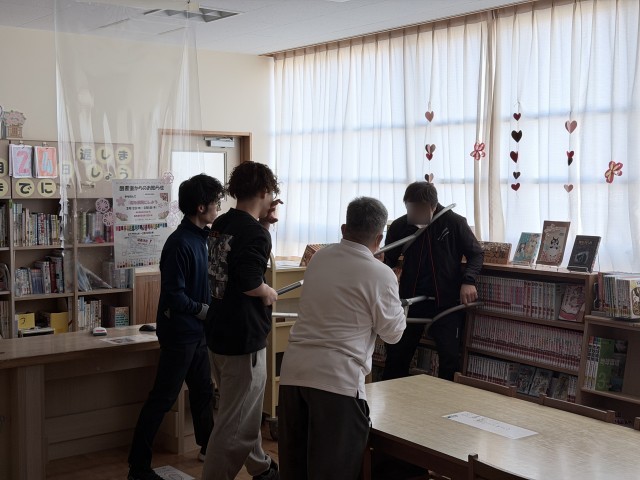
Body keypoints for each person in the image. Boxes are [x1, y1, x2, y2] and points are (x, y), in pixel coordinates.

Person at [278, 197, 406, 480]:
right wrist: (392, 288)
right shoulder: (381, 274)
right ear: (380, 238)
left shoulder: (319, 258)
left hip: (294, 374)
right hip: (337, 381)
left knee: (295, 470)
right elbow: (394, 333)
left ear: (344, 228)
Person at [127, 174, 224, 480]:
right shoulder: (179, 243)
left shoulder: (203, 239)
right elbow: (173, 294)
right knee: (163, 399)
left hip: (198, 333)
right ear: (201, 207)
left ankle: (208, 448)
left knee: (203, 392)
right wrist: (202, 310)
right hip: (180, 334)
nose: (219, 208)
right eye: (216, 203)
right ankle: (138, 467)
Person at [203, 161, 282, 480]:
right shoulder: (254, 233)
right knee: (235, 425)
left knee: (240, 415)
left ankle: (261, 468)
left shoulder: (223, 222)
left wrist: (264, 224)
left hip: (219, 331)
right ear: (264, 191)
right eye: (271, 193)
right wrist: (268, 292)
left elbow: (237, 262)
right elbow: (250, 280)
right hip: (243, 338)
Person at [382, 181, 483, 381]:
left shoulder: (454, 222)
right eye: (410, 209)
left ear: (433, 206)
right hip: (410, 302)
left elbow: (476, 254)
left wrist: (469, 280)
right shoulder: (400, 226)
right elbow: (388, 259)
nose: (414, 214)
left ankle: (444, 399)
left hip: (445, 303)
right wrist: (388, 273)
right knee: (396, 355)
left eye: (419, 210)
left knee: (449, 359)